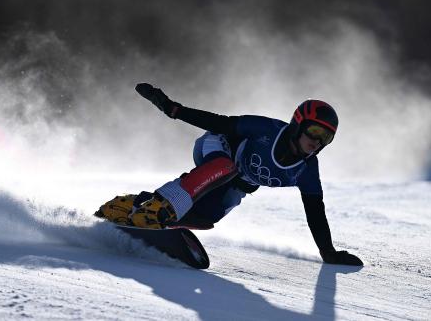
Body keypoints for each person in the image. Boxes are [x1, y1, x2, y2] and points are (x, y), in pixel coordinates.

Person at [96, 83, 363, 266]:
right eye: (315, 131)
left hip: (238, 182)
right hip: (216, 148)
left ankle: (133, 206)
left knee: (207, 217)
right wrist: (173, 109)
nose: (318, 141)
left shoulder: (307, 170)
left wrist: (328, 252)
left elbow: (315, 210)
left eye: (326, 137)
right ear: (297, 124)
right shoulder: (266, 129)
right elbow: (220, 123)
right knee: (226, 167)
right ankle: (159, 208)